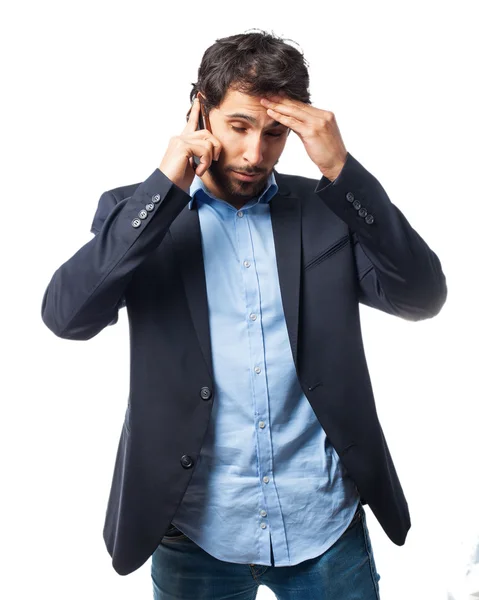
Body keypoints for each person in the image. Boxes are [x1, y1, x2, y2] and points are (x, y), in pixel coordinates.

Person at [41, 29, 447, 600]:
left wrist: (345, 173)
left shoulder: (326, 210)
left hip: (324, 524)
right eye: (239, 127)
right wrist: (165, 186)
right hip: (196, 529)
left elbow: (422, 297)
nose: (256, 154)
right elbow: (67, 316)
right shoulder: (137, 210)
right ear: (200, 112)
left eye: (275, 133)